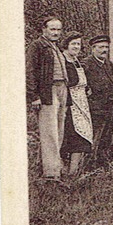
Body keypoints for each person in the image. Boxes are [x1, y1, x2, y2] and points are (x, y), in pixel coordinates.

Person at [26, 15, 68, 181]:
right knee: (49, 131)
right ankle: (51, 173)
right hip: (47, 91)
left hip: (61, 88)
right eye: (52, 29)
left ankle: (55, 166)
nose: (56, 32)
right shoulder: (37, 46)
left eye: (58, 29)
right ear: (44, 29)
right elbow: (30, 72)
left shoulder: (55, 47)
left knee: (59, 129)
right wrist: (34, 96)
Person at [83, 34, 113, 169]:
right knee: (94, 137)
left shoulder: (110, 66)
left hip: (109, 106)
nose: (104, 50)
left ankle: (102, 165)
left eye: (106, 47)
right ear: (93, 49)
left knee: (106, 137)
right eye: (101, 47)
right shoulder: (86, 65)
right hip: (95, 107)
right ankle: (89, 166)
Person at [60, 32, 93, 177]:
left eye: (78, 44)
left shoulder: (76, 61)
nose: (76, 47)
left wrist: (86, 88)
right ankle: (63, 171)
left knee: (81, 137)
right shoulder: (62, 61)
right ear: (66, 44)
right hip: (68, 104)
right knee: (70, 136)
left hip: (81, 104)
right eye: (73, 43)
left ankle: (74, 172)